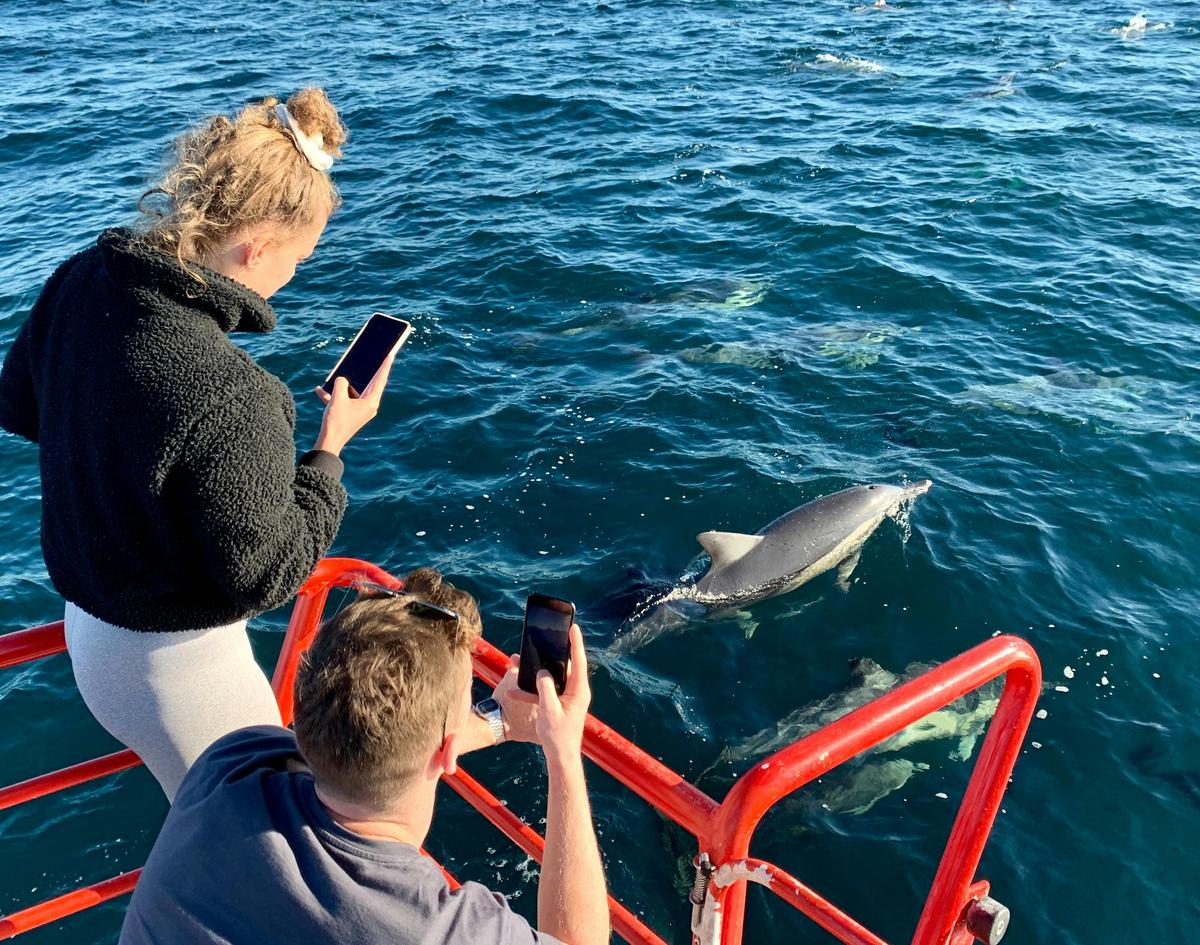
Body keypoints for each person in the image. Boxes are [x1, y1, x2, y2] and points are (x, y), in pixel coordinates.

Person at [0, 88, 393, 801]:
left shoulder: (84, 280)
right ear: (258, 246)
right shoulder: (235, 394)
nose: (292, 277)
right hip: (176, 670)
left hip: (88, 631)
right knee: (267, 831)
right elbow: (265, 575)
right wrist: (331, 449)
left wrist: (129, 465)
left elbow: (22, 405)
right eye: (299, 259)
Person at [118, 568, 611, 945]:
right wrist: (564, 751)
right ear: (446, 749)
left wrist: (497, 721)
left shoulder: (228, 766)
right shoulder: (437, 929)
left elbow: (365, 736)